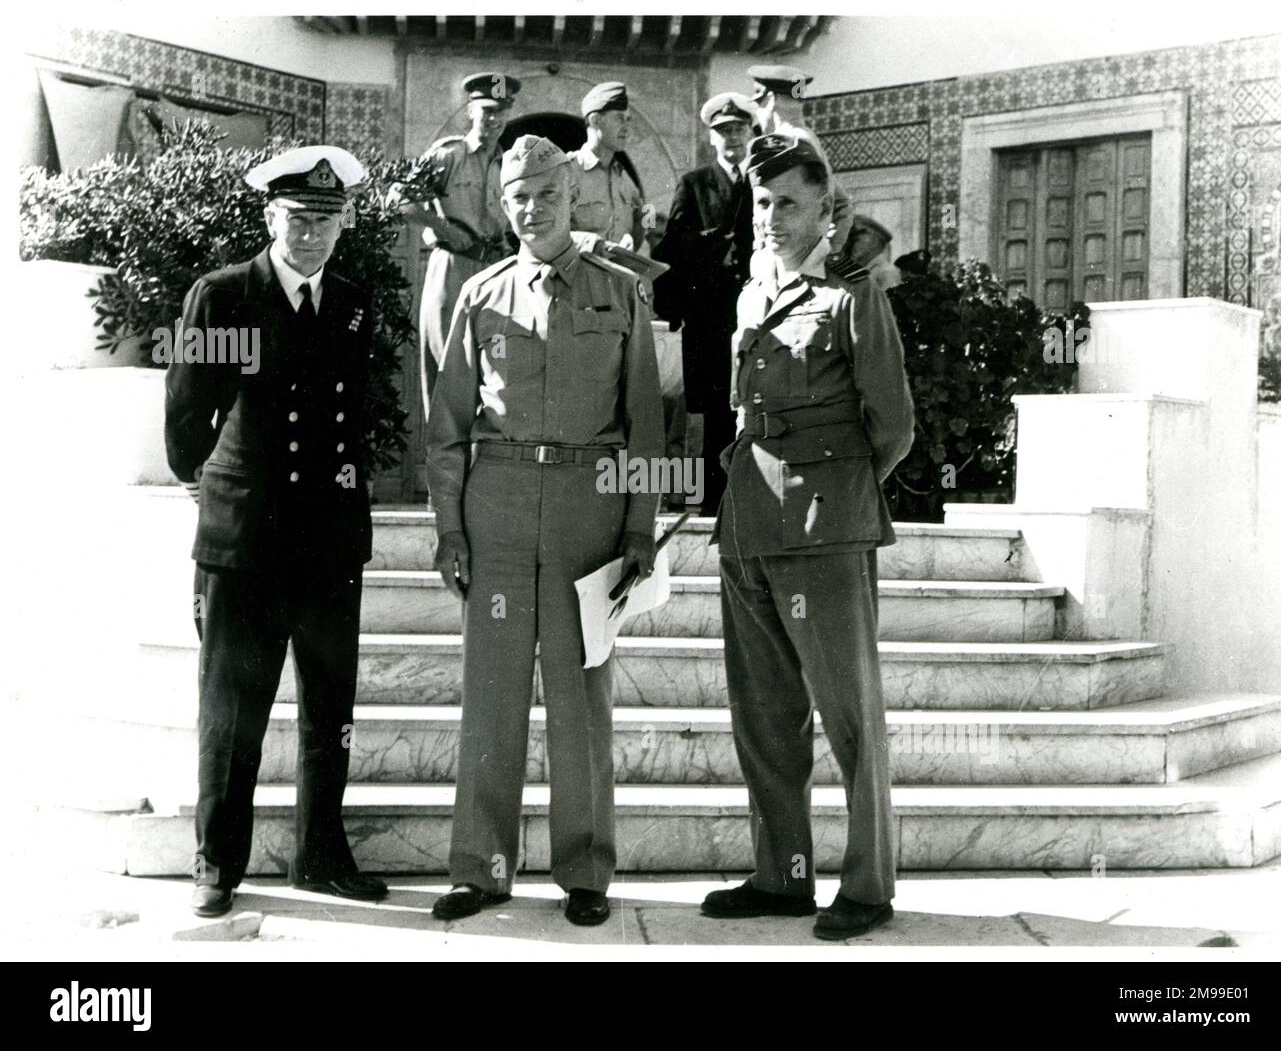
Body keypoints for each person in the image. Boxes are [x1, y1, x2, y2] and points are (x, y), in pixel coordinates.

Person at [425, 135, 664, 927]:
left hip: (588, 508)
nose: (533, 210)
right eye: (519, 197)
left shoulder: (619, 292)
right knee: (491, 693)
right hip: (496, 505)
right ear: (504, 205)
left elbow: (645, 424)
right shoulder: (481, 293)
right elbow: (450, 424)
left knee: (580, 696)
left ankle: (586, 870)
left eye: (548, 196)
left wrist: (638, 532)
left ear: (573, 200)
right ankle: (481, 867)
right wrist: (450, 529)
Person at [164, 146, 388, 918]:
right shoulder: (223, 296)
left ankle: (321, 855)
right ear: (270, 217)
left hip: (328, 540)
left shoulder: (353, 304)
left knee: (331, 710)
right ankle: (216, 863)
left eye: (327, 220)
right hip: (246, 540)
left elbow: (353, 418)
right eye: (299, 218)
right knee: (233, 712)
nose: (313, 235)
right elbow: (187, 419)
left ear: (344, 224)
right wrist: (216, 493)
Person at [701, 133, 915, 939]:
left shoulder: (856, 295)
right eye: (761, 202)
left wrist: (835, 500)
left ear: (826, 208)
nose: (771, 218)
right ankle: (781, 875)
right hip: (749, 527)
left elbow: (891, 426)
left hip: (823, 534)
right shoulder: (753, 296)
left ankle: (868, 885)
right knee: (763, 718)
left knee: (849, 719)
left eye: (787, 202)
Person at [652, 92, 758, 516]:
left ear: (751, 132)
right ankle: (711, 504)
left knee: (754, 404)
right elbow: (673, 246)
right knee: (712, 411)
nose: (732, 138)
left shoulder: (763, 181)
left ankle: (749, 501)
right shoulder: (694, 184)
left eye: (738, 129)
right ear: (711, 138)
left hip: (756, 311)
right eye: (723, 132)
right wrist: (712, 245)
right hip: (711, 316)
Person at [398, 72, 519, 423]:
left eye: (501, 111)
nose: (494, 119)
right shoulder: (449, 154)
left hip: (495, 274)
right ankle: (441, 469)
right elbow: (401, 200)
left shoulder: (506, 163)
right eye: (487, 111)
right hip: (453, 271)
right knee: (447, 367)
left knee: (494, 372)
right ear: (470, 110)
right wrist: (443, 228)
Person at [747, 64, 853, 257]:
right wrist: (828, 250)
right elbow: (842, 204)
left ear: (769, 100)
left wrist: (820, 255)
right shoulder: (806, 137)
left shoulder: (790, 142)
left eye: (758, 103)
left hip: (791, 258)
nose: (757, 113)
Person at [567, 82, 646, 252]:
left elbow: (645, 221)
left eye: (628, 119)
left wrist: (633, 240)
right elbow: (549, 234)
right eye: (619, 118)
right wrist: (594, 244)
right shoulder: (567, 172)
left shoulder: (625, 179)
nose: (626, 127)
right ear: (595, 120)